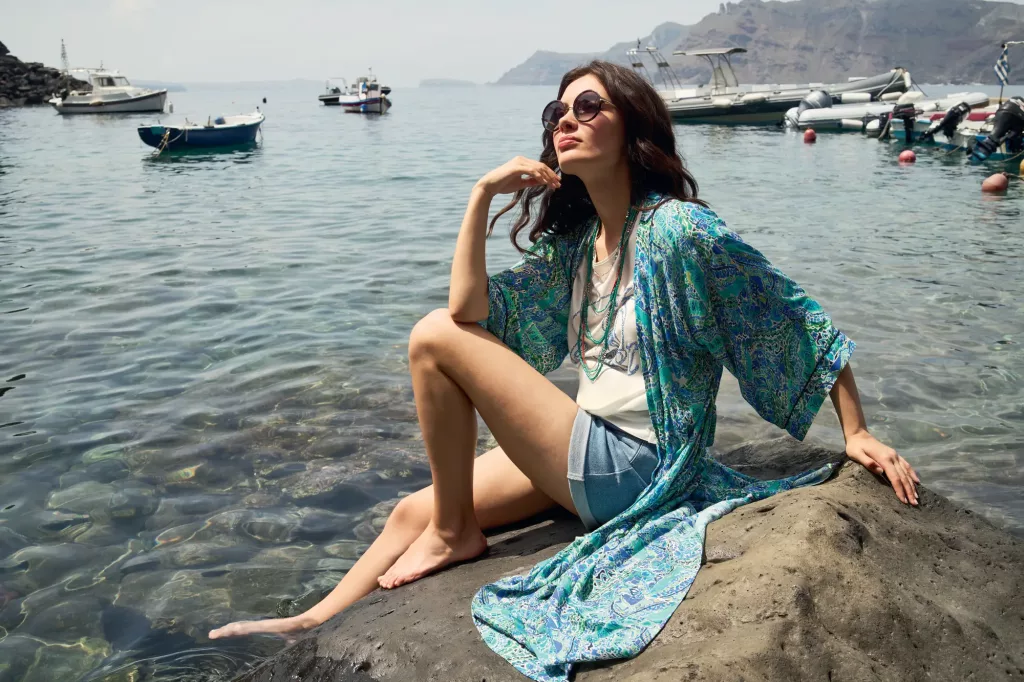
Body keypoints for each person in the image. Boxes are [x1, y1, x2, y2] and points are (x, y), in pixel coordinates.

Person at [210, 60, 919, 681]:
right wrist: (482, 194)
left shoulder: (679, 231)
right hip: (589, 449)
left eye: (588, 107)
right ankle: (311, 620)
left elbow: (787, 314)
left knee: (428, 340)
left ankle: (458, 535)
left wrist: (855, 430)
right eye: (557, 111)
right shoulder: (581, 246)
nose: (566, 121)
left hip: (639, 466)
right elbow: (471, 310)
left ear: (632, 129)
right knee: (409, 509)